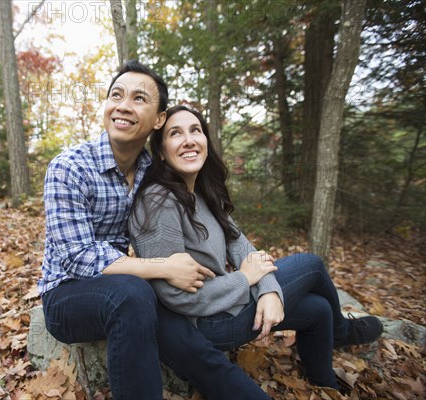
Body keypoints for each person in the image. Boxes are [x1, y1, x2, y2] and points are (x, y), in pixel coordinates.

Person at [40, 61, 268, 400]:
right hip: (66, 295)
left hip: (122, 284)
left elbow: (210, 213)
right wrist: (163, 267)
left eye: (138, 98)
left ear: (158, 118)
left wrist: (263, 282)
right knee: (133, 294)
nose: (123, 106)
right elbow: (76, 257)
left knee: (174, 327)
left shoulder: (151, 171)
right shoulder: (69, 167)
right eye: (116, 95)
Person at [129, 105, 384, 395]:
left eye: (195, 130)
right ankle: (342, 333)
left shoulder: (201, 191)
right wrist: (245, 279)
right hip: (209, 321)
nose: (189, 139)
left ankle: (324, 383)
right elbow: (174, 295)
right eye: (175, 134)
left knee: (318, 309)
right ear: (161, 152)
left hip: (226, 303)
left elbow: (239, 244)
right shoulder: (159, 202)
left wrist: (269, 289)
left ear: (206, 142)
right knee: (311, 264)